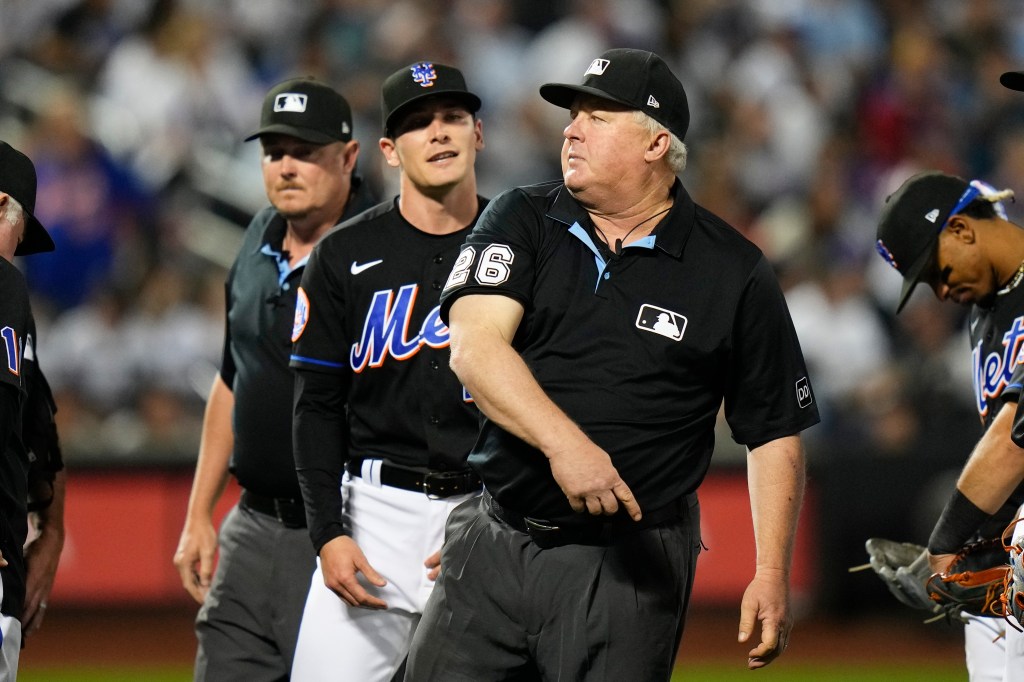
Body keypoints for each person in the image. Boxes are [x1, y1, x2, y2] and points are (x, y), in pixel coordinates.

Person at [405, 48, 821, 681]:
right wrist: (566, 446)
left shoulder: (732, 270)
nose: (571, 129)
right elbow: (474, 346)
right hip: (494, 539)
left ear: (657, 143)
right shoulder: (523, 215)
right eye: (573, 115)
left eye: (597, 116)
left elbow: (773, 430)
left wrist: (769, 573)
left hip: (629, 564)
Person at [289, 61, 487, 680]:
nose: (439, 132)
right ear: (389, 150)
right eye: (418, 123)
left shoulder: (528, 246)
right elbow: (316, 405)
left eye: (453, 117)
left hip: (486, 512)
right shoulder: (343, 254)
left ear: (478, 133)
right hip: (373, 515)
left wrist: (504, 511)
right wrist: (328, 533)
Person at [171, 77, 373, 681]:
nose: (286, 166)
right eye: (273, 152)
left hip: (349, 530)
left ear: (348, 157)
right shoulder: (258, 235)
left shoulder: (379, 250)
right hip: (252, 525)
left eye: (304, 152)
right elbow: (234, 377)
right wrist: (199, 512)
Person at [873, 169, 1024, 680]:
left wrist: (945, 546)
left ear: (960, 229)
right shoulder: (984, 314)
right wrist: (968, 558)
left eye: (935, 270)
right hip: (1010, 564)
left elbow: (1017, 436)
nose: (938, 291)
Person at [0, 140, 62, 676]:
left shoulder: (13, 301)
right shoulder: (6, 287)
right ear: (2, 206)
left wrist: (52, 530)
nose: (17, 248)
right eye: (19, 230)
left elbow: (37, 428)